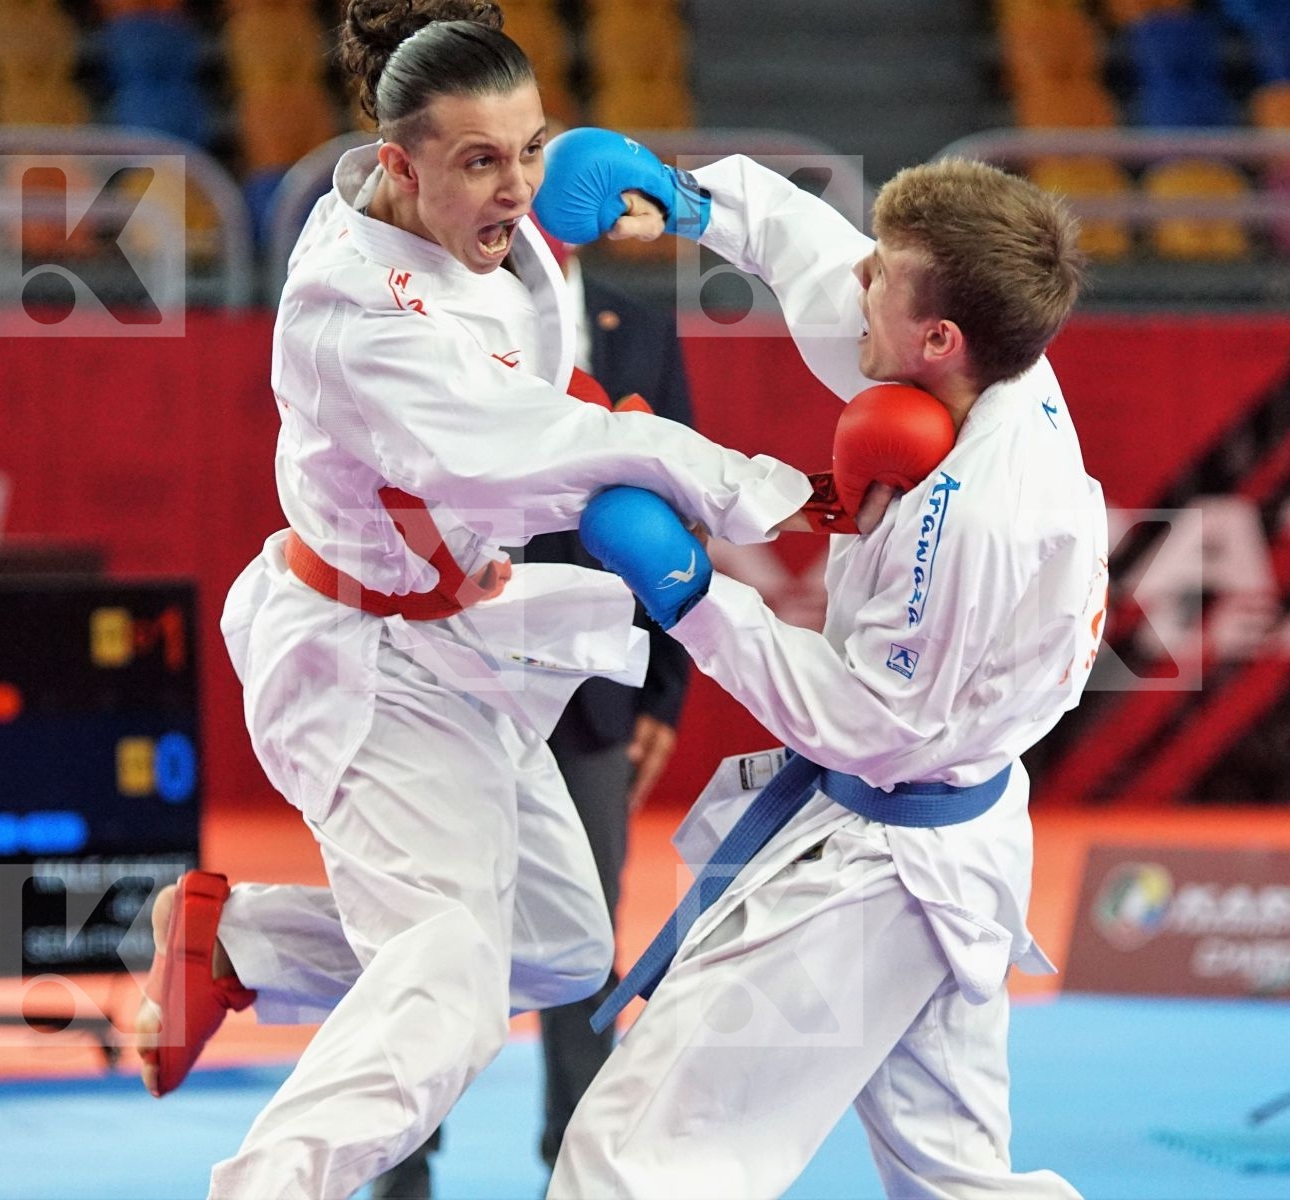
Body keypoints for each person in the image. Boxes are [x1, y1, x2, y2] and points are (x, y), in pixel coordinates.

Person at [133, 7, 827, 1196]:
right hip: (354, 659)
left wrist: (659, 256)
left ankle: (237, 937)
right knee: (449, 990)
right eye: (480, 161)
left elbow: (545, 375)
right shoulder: (353, 311)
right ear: (400, 167)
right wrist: (753, 486)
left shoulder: (499, 240)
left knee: (560, 948)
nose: (517, 190)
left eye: (530, 150)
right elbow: (509, 443)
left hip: (464, 639)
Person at [534, 133, 1103, 1198]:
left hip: (886, 863)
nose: (859, 280)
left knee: (632, 1151)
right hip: (950, 833)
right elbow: (834, 262)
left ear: (937, 335)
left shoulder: (979, 517)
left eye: (882, 275)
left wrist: (695, 599)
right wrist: (695, 203)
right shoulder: (988, 353)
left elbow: (864, 723)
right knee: (952, 1183)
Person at [370, 241, 698, 1199]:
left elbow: (676, 512)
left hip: (590, 690)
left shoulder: (638, 328)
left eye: (533, 166)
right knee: (425, 926)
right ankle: (399, 1170)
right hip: (451, 672)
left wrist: (662, 689)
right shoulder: (432, 314)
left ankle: (581, 1166)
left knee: (584, 940)